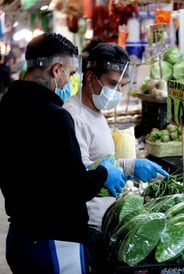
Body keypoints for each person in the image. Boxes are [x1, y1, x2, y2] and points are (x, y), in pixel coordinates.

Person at [0, 33, 126, 273]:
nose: (70, 82)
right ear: (56, 70)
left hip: (19, 238)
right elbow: (74, 188)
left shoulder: (7, 105)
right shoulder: (55, 116)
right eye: (70, 74)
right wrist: (103, 173)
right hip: (53, 244)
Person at [63, 42, 169, 272]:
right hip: (92, 227)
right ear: (90, 78)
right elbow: (79, 176)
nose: (117, 92)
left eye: (122, 85)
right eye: (112, 84)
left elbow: (101, 163)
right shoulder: (74, 116)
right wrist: (117, 170)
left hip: (107, 223)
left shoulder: (96, 112)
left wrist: (131, 165)